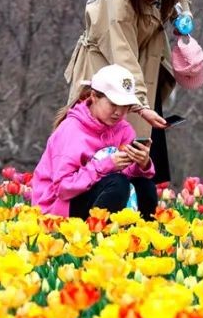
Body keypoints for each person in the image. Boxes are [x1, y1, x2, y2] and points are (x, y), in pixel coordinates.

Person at [64, 0, 196, 186]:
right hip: (105, 60)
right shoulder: (120, 6)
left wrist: (182, 14)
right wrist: (141, 106)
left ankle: (143, 192)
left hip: (147, 53)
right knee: (101, 133)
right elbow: (124, 60)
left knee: (145, 145)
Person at [32, 63, 158, 220]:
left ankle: (140, 238)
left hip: (99, 195)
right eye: (113, 104)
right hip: (58, 208)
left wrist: (142, 164)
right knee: (117, 184)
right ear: (94, 96)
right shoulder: (71, 130)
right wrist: (106, 165)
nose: (119, 112)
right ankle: (98, 239)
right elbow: (62, 188)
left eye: (125, 106)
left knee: (146, 187)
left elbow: (127, 175)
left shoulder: (124, 129)